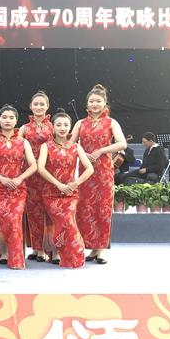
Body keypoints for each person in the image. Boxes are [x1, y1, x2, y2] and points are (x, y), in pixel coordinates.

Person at [70, 84, 128, 264]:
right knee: (85, 208)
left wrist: (102, 150)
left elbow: (122, 143)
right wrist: (81, 152)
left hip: (103, 171)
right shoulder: (80, 123)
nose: (95, 104)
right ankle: (92, 247)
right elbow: (70, 143)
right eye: (91, 101)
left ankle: (101, 249)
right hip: (85, 171)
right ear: (87, 104)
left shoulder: (111, 122)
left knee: (102, 208)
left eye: (98, 101)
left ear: (105, 103)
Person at [0, 105, 37, 270]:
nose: (7, 120)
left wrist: (20, 178)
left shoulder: (23, 142)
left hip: (18, 188)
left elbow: (33, 165)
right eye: (4, 117)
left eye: (11, 118)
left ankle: (16, 258)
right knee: (3, 222)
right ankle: (5, 253)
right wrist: (1, 178)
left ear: (16, 120)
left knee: (14, 220)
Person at [37, 110, 94, 268]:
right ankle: (63, 253)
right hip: (51, 193)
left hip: (70, 193)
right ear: (53, 127)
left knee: (68, 222)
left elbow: (90, 168)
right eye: (59, 125)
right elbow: (40, 168)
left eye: (66, 125)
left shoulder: (76, 147)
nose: (62, 128)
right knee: (62, 223)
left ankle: (73, 255)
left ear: (70, 127)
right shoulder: (46, 146)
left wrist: (76, 183)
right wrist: (58, 184)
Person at [18, 91, 54, 261]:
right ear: (30, 107)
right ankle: (36, 247)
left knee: (48, 210)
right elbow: (17, 149)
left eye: (42, 104)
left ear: (47, 106)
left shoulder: (54, 127)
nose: (39, 107)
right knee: (33, 211)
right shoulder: (24, 128)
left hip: (49, 173)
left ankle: (49, 248)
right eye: (36, 104)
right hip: (30, 174)